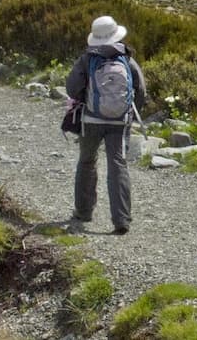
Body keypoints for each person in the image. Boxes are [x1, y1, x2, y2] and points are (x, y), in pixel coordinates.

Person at [66, 15, 147, 234]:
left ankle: (83, 212)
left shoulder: (86, 59)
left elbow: (72, 89)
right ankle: (121, 220)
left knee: (86, 162)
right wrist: (127, 112)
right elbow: (141, 91)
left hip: (90, 120)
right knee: (117, 165)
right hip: (120, 122)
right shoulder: (126, 59)